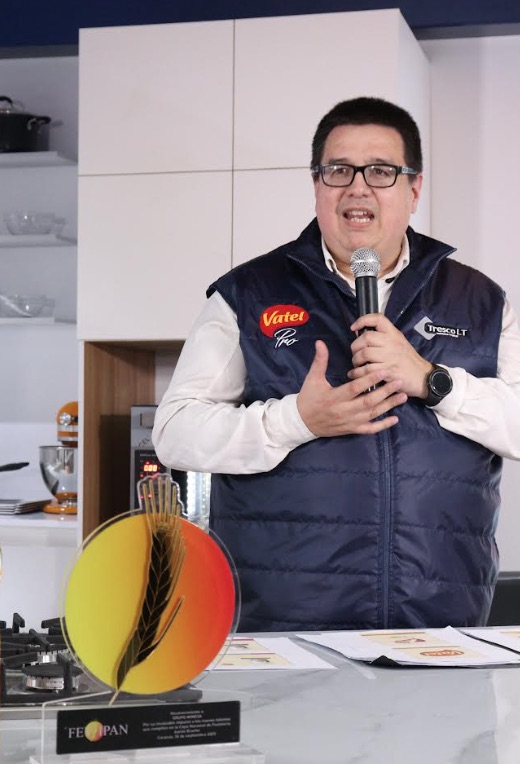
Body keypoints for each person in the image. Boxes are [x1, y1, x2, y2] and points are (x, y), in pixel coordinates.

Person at [152, 96, 520, 632]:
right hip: (284, 625)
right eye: (339, 170)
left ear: (414, 189)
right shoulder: (247, 294)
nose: (358, 187)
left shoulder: (481, 301)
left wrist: (433, 381)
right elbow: (174, 433)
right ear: (317, 185)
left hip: (439, 625)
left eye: (381, 171)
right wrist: (298, 420)